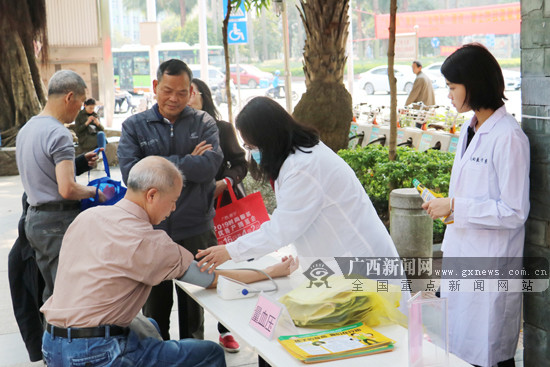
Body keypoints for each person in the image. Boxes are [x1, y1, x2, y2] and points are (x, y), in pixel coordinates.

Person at [40, 156, 298, 367]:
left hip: (51, 343)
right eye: (173, 201)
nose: (173, 209)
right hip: (98, 353)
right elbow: (213, 279)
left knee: (149, 326)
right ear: (151, 195)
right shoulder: (151, 242)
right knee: (208, 353)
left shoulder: (88, 217)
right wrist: (270, 271)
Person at [196, 97, 403, 286]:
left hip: (360, 263)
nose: (253, 153)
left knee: (382, 323)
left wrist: (230, 250)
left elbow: (283, 228)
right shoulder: (298, 156)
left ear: (270, 138)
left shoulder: (304, 167)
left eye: (253, 146)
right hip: (338, 263)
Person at [421, 43, 529, 367]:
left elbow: (514, 211)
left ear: (474, 83)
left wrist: (456, 206)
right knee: (457, 351)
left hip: (491, 269)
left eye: (453, 87)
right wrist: (450, 212)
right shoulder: (471, 130)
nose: (449, 95)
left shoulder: (508, 137)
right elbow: (472, 197)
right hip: (463, 258)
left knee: (488, 355)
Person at [117, 59, 224, 341]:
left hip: (196, 229)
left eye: (181, 92)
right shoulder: (134, 126)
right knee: (154, 310)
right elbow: (133, 174)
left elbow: (209, 167)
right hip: (151, 231)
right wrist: (189, 160)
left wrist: (154, 164)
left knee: (194, 308)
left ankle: (193, 356)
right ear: (155, 87)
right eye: (167, 90)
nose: (174, 98)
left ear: (191, 91)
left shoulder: (204, 122)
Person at [15, 70, 106, 303]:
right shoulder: (59, 133)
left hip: (34, 221)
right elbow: (67, 189)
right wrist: (95, 192)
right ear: (69, 97)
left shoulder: (27, 129)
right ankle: (61, 340)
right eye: (80, 102)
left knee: (51, 293)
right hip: (58, 224)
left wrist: (79, 163)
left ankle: (49, 338)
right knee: (67, 296)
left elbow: (43, 173)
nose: (79, 109)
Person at [188, 78, 247, 352]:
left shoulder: (222, 128)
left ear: (203, 96)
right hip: (191, 214)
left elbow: (240, 162)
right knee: (197, 274)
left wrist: (227, 182)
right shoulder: (178, 131)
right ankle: (192, 341)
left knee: (226, 270)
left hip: (223, 210)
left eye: (190, 92)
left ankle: (226, 330)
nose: (184, 98)